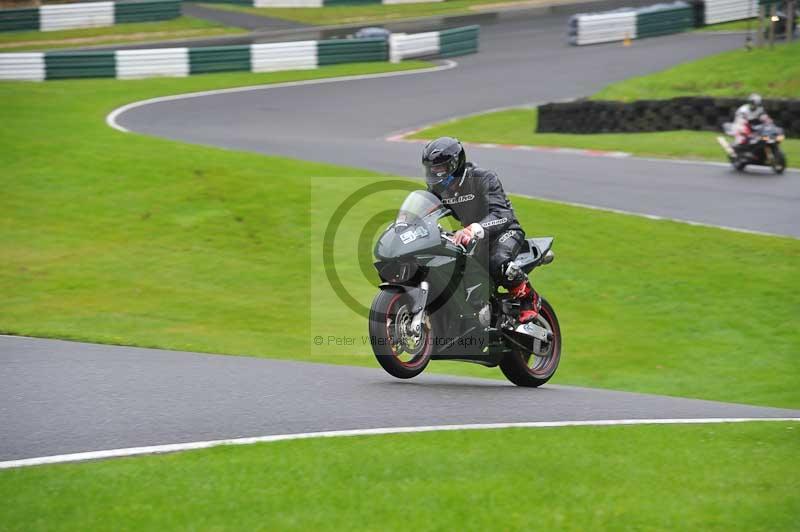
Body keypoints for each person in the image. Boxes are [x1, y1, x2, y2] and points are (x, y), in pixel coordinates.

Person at [421, 136, 540, 324]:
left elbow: (502, 214)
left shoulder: (483, 178)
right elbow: (423, 211)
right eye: (431, 169)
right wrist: (406, 223)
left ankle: (528, 297)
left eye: (439, 168)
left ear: (454, 164)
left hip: (504, 232)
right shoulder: (436, 190)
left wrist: (473, 229)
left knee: (497, 261)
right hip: (472, 238)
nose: (435, 173)